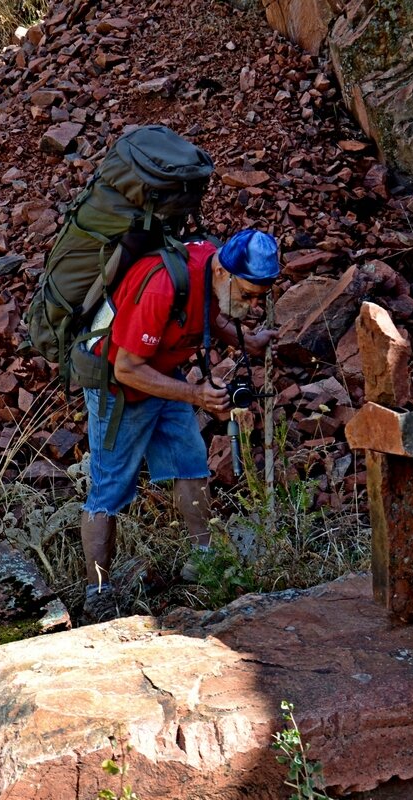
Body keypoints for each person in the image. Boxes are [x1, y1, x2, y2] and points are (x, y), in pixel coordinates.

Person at [80, 228, 279, 622]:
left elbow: (204, 313)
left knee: (190, 463)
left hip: (162, 373)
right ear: (223, 271)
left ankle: (203, 562)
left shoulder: (209, 270)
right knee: (110, 490)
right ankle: (97, 595)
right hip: (119, 388)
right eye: (248, 294)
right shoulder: (162, 286)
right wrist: (195, 395)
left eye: (262, 296)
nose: (254, 304)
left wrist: (247, 341)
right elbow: (127, 367)